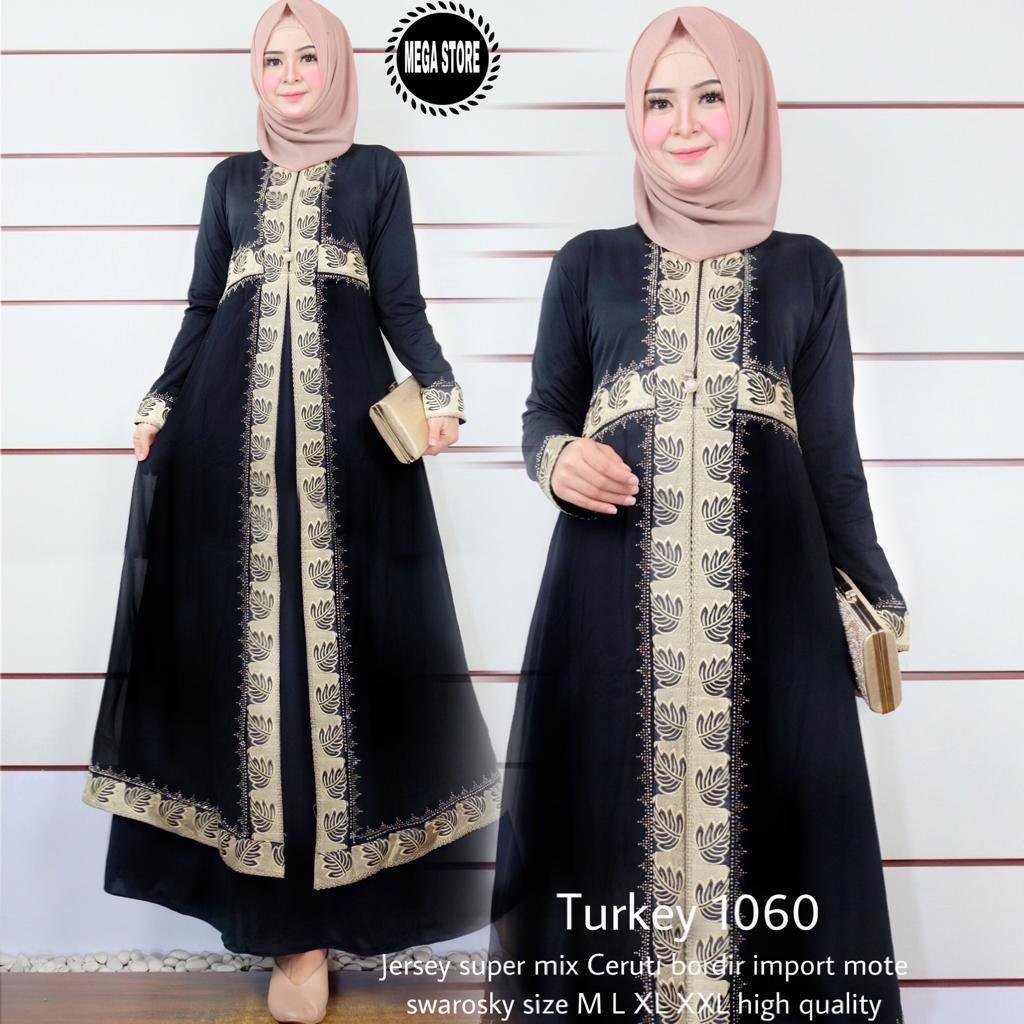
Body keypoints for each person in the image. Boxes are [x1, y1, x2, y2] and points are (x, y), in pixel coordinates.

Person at [485, 7, 910, 1023]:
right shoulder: (586, 261)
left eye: (709, 96)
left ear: (749, 107)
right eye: (658, 101)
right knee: (603, 812)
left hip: (775, 609)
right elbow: (543, 412)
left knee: (774, 817)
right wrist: (556, 458)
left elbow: (832, 455)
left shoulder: (808, 269)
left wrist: (877, 597)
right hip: (603, 602)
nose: (682, 124)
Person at [80, 2, 500, 1021]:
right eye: (274, 58)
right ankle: (284, 936)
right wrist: (160, 401)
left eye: (311, 54)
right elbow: (202, 308)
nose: (292, 72)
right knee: (248, 672)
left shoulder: (376, 174)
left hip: (351, 465)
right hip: (222, 464)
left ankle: (334, 917)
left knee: (341, 671)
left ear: (340, 66)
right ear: (254, 73)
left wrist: (442, 389)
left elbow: (400, 306)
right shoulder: (228, 182)